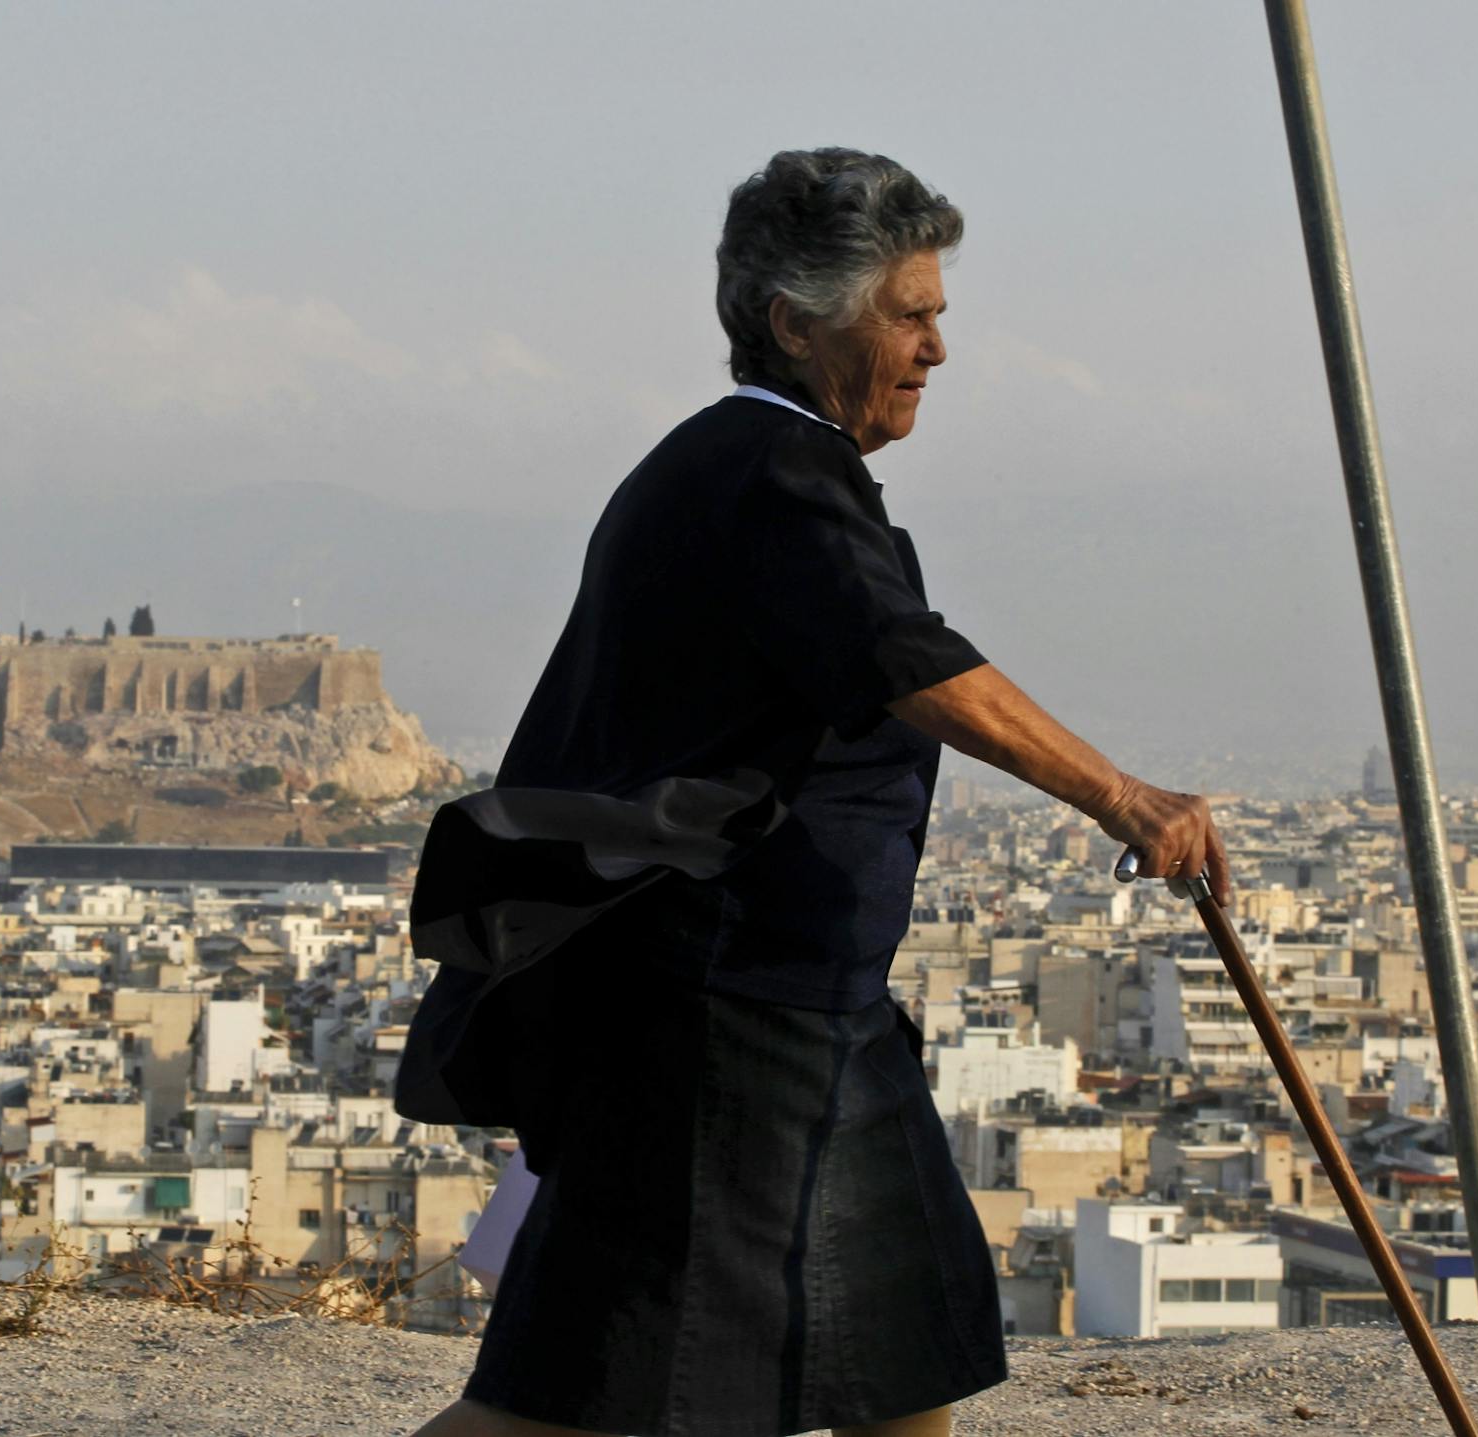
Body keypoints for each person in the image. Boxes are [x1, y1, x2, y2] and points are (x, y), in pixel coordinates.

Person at [400, 147, 1231, 1437]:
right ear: (796, 322)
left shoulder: (779, 471)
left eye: (937, 314)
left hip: (813, 1010)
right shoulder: (764, 472)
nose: (937, 348)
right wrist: (1124, 798)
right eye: (909, 315)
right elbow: (904, 657)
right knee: (567, 1407)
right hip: (717, 1025)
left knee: (907, 1372)